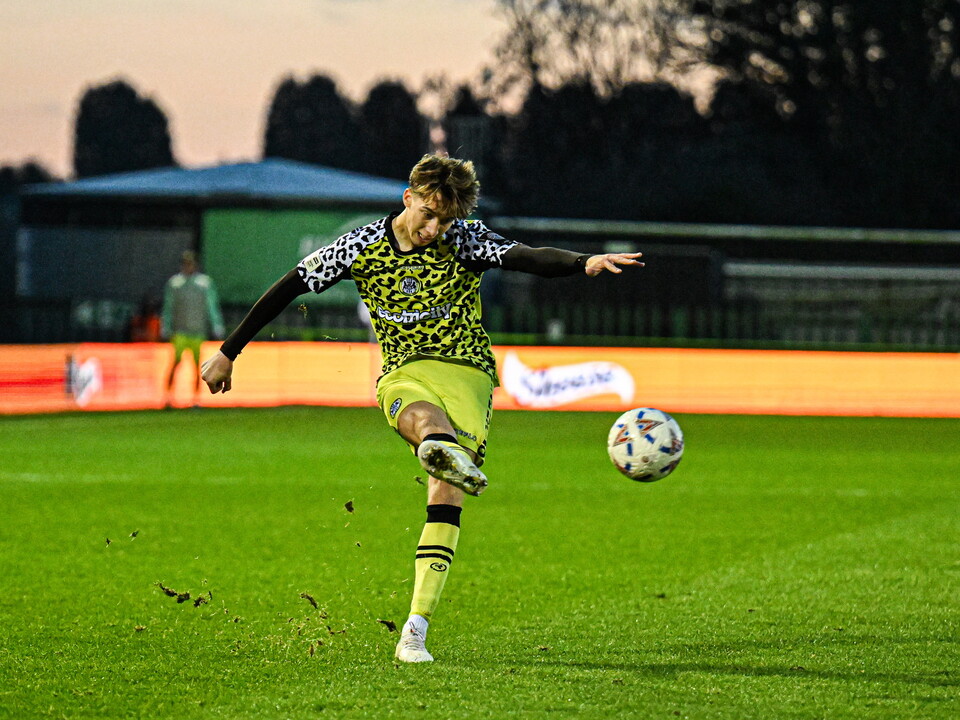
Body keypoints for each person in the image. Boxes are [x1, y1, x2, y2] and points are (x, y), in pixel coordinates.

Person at [200, 154, 642, 662]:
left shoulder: (465, 238)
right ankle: (437, 448)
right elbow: (290, 285)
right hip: (404, 370)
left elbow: (524, 256)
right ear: (408, 198)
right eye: (429, 214)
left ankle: (415, 626)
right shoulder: (361, 245)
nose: (435, 228)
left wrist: (581, 262)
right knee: (424, 421)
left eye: (445, 219)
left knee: (445, 492)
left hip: (467, 372)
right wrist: (228, 351)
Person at [162, 250, 225, 407]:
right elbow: (168, 307)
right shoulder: (175, 284)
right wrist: (166, 327)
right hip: (181, 331)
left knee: (198, 367)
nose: (188, 266)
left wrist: (217, 325)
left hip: (197, 331)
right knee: (175, 363)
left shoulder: (204, 284)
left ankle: (196, 399)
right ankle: (168, 397)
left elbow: (211, 306)